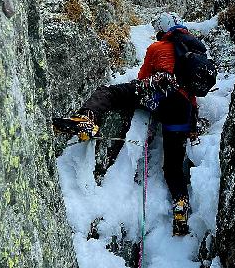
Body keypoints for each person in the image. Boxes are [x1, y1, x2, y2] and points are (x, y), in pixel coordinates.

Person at [53, 12, 207, 236]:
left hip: (158, 96)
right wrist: (191, 125)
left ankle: (87, 118)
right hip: (182, 109)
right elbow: (193, 97)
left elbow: (143, 77)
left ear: (163, 29)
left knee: (110, 92)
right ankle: (180, 205)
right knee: (173, 167)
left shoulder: (157, 48)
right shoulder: (194, 52)